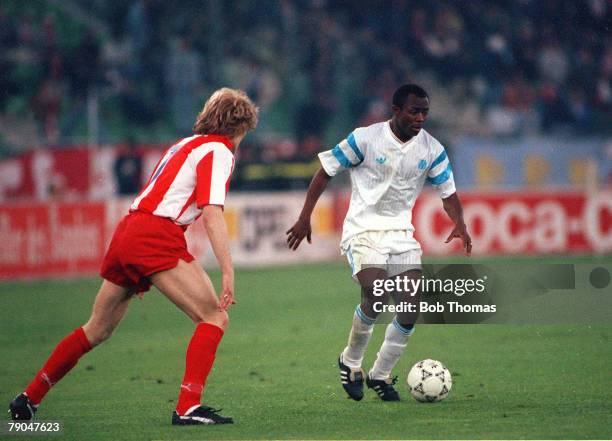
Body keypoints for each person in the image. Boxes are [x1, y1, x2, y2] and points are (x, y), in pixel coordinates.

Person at [9, 88, 258, 425]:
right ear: (241, 126)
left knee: (96, 328)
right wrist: (228, 271)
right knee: (214, 317)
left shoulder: (183, 144)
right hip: (156, 235)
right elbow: (212, 211)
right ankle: (187, 406)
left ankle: (28, 398)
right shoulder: (220, 150)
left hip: (129, 229)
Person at [286, 84, 471, 401]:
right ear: (397, 110)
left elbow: (448, 193)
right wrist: (305, 218)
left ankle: (381, 375)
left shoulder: (432, 149)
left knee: (410, 308)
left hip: (401, 234)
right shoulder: (365, 139)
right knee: (376, 291)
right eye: (414, 111)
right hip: (363, 231)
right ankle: (351, 360)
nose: (420, 117)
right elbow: (325, 172)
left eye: (425, 112)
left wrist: (460, 223)